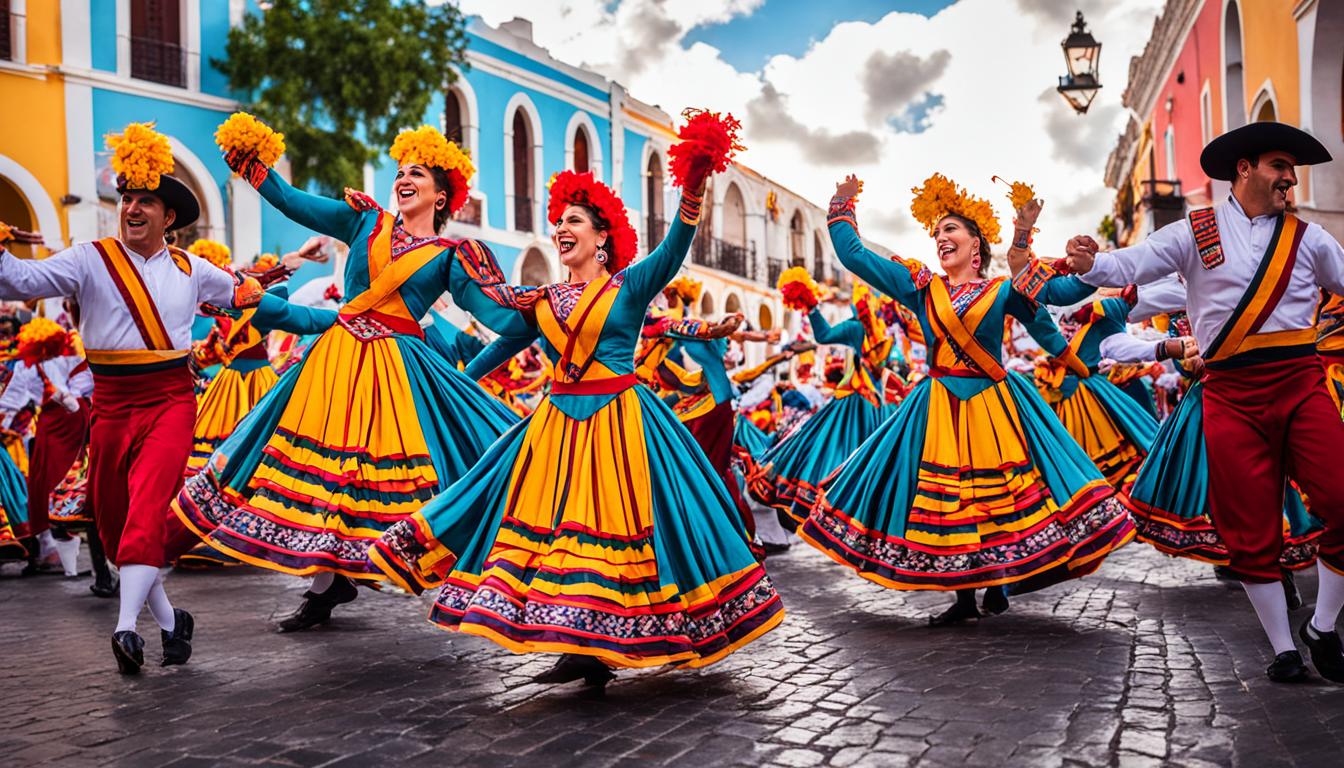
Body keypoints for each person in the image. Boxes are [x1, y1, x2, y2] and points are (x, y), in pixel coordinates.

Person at [369, 113, 784, 687]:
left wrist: (692, 186)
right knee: (555, 534)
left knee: (615, 532)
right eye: (558, 222)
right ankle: (580, 645)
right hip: (558, 426)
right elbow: (503, 336)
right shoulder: (542, 298)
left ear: (601, 237)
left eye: (572, 222)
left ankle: (594, 649)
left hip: (620, 422)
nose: (561, 229)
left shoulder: (630, 287)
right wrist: (461, 376)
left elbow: (673, 249)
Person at [174, 119, 518, 632]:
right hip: (335, 360)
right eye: (400, 171)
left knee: (395, 476)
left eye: (417, 173)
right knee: (324, 474)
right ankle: (325, 584)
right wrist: (251, 164)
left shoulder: (452, 258)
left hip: (399, 375)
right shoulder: (365, 223)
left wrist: (563, 310)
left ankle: (438, 565)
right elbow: (292, 200)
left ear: (442, 196)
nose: (404, 179)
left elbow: (506, 321)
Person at [1064, 122, 1344, 684]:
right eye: (1279, 166)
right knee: (1247, 524)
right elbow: (1130, 266)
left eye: (1292, 169)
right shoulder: (1194, 231)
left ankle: (1323, 623)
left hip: (1299, 380)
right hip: (1229, 392)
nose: (1290, 178)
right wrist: (1089, 261)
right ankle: (1284, 647)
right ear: (1245, 169)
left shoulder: (1310, 238)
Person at [802, 173, 1135, 625]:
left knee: (996, 495)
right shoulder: (920, 285)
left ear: (975, 244)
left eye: (951, 230)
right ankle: (962, 597)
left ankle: (996, 582)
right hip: (938, 404)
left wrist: (1085, 266)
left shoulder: (1003, 289)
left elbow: (1059, 292)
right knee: (950, 498)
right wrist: (842, 206)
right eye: (937, 233)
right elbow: (855, 256)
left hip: (994, 403)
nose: (941, 238)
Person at [0, 122, 259, 673]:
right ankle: (171, 622)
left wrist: (262, 288)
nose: (133, 209)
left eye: (146, 202)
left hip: (170, 400)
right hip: (111, 406)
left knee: (144, 511)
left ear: (170, 218)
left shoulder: (194, 269)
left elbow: (241, 294)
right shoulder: (87, 258)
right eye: (127, 199)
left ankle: (124, 631)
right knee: (114, 522)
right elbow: (18, 283)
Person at [749, 270, 894, 524]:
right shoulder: (888, 330)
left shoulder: (857, 327)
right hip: (881, 403)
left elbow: (823, 336)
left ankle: (827, 504)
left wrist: (812, 306)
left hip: (854, 402)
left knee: (818, 445)